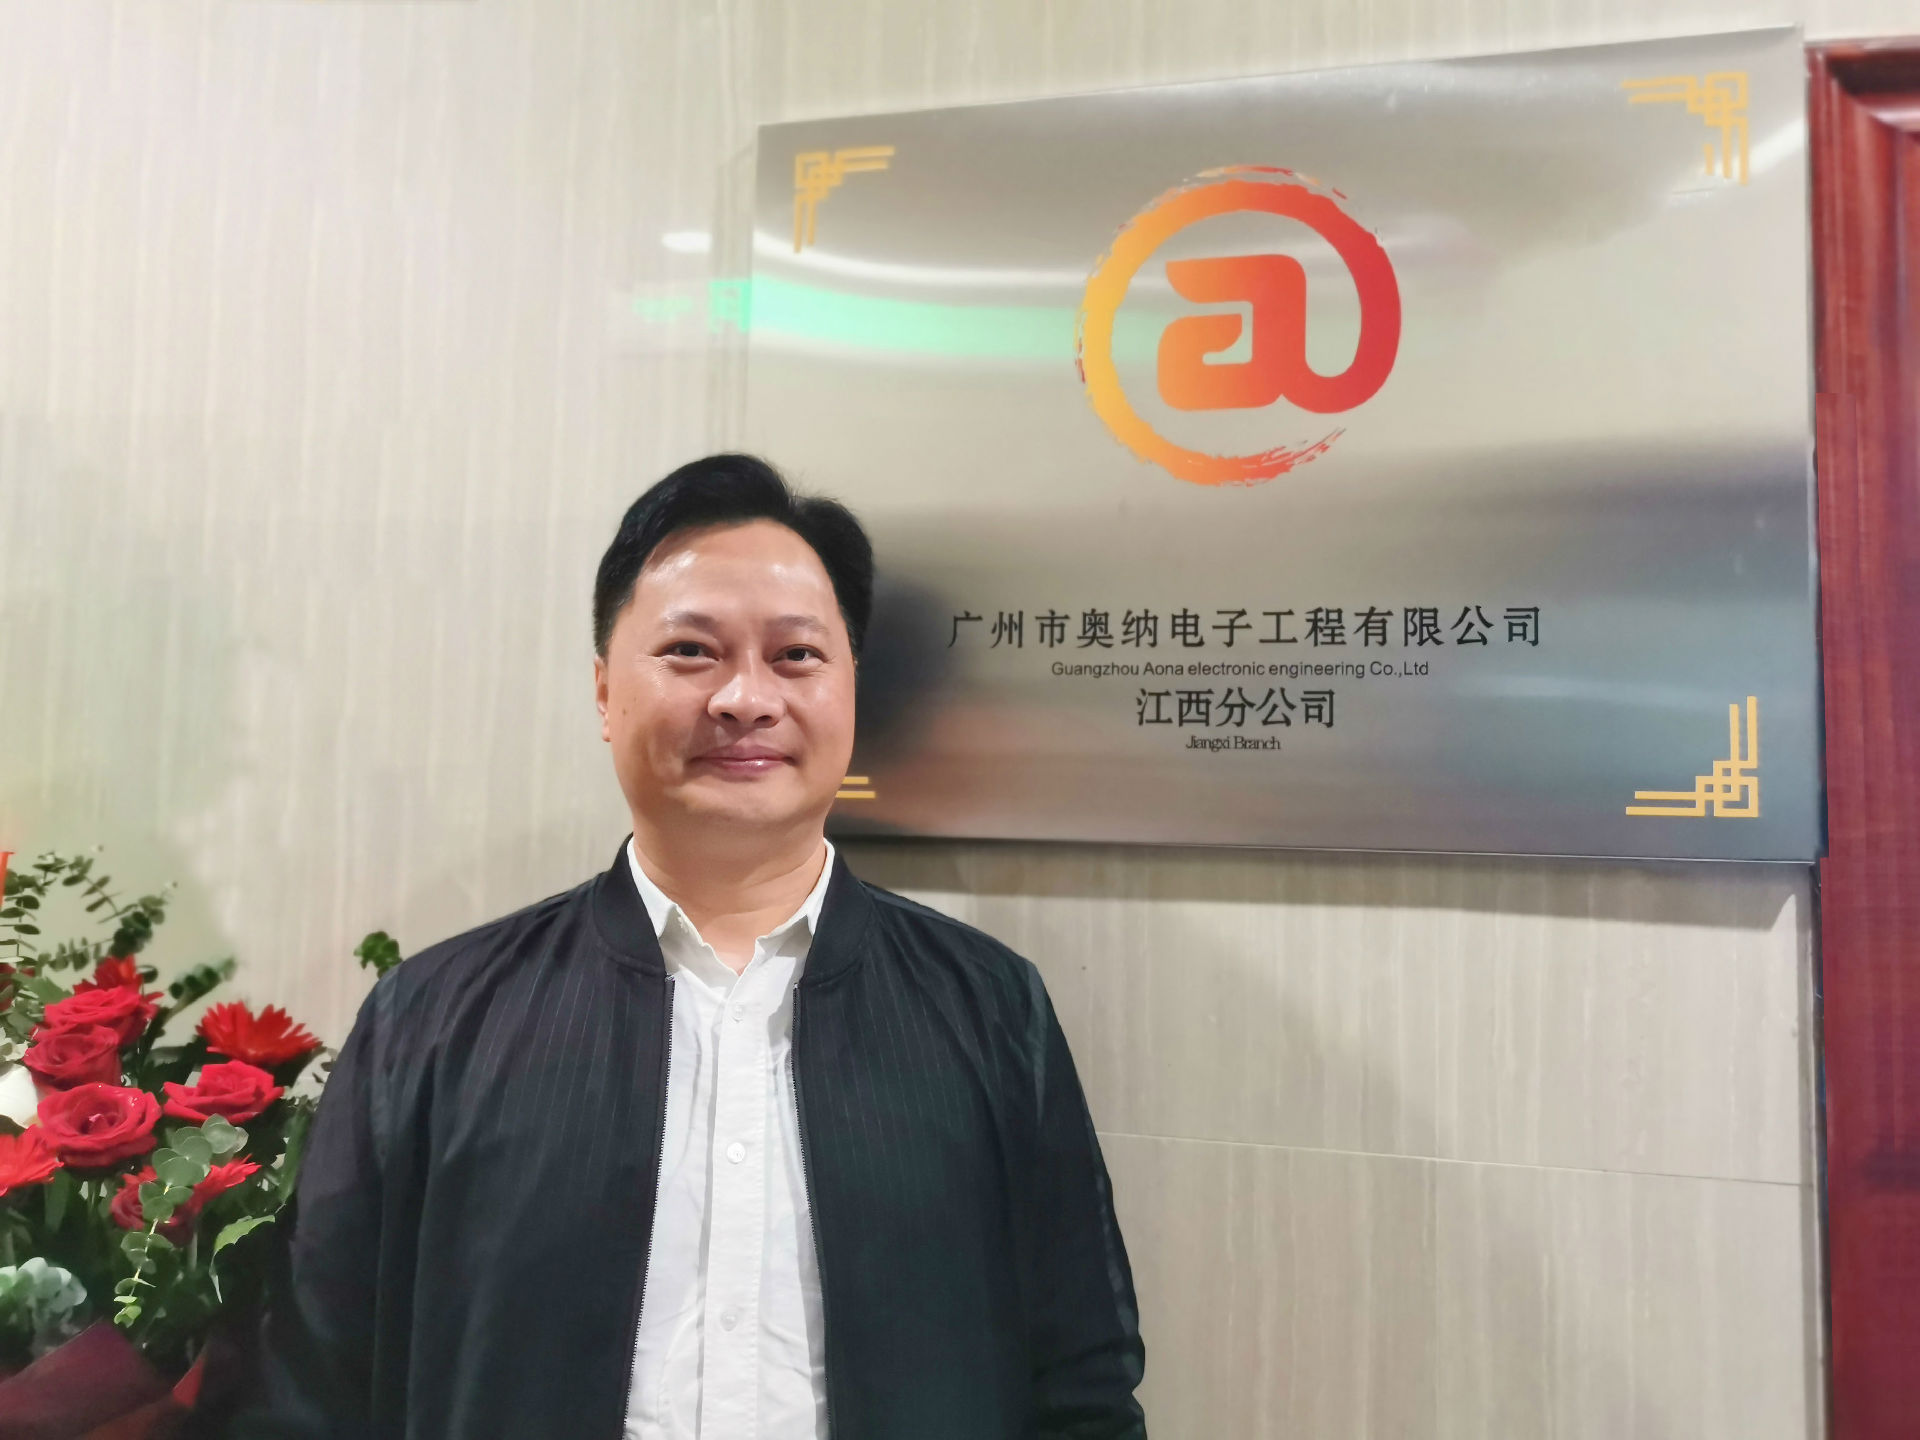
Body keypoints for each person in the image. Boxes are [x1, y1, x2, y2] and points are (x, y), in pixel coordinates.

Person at [240, 453, 1147, 1439]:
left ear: (851, 691)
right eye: (691, 651)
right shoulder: (432, 1019)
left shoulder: (991, 1009)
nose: (745, 699)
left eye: (795, 655)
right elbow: (312, 1387)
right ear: (603, 691)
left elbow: (1083, 1385)